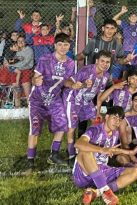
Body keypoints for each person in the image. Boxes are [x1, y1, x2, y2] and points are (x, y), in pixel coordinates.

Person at [73, 106, 137, 205]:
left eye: (119, 120)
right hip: (84, 174)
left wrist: (129, 152)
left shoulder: (115, 133)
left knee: (135, 171)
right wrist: (102, 150)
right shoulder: (95, 129)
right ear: (107, 116)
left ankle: (96, 192)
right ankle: (106, 191)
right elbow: (78, 144)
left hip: (102, 172)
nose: (116, 122)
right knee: (84, 151)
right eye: (114, 118)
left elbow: (111, 150)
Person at [26, 33, 75, 168]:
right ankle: (30, 161)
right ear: (55, 45)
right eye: (60, 44)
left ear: (69, 46)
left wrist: (73, 84)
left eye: (66, 44)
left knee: (62, 123)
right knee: (35, 129)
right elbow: (34, 78)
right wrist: (36, 80)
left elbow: (66, 82)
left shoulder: (71, 63)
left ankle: (54, 154)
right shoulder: (45, 59)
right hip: (38, 100)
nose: (63, 47)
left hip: (54, 99)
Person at [63, 50, 112, 166]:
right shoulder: (86, 70)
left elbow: (99, 95)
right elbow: (67, 82)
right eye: (102, 61)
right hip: (73, 99)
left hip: (86, 101)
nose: (105, 64)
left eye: (107, 62)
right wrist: (74, 85)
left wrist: (98, 112)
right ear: (96, 61)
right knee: (72, 128)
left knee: (97, 123)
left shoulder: (106, 76)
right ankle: (71, 155)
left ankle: (93, 149)